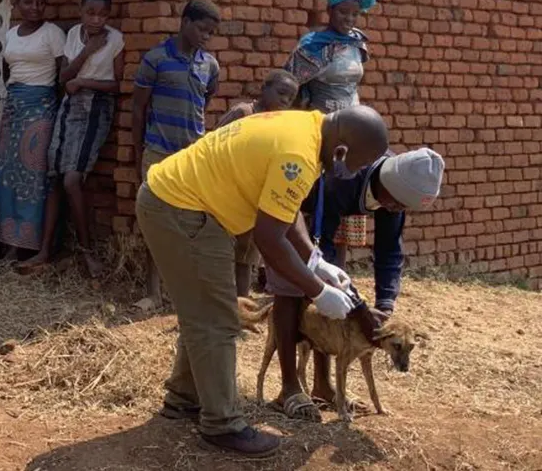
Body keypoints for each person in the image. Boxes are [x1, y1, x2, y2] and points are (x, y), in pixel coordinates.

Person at [135, 105, 390, 457]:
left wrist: (315, 261)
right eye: (357, 165)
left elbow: (285, 209)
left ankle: (185, 398)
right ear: (342, 151)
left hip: (176, 200)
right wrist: (318, 292)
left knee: (204, 311)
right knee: (217, 320)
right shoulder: (298, 154)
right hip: (183, 208)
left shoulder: (307, 127)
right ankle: (222, 425)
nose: (354, 173)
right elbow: (269, 239)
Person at [268, 148, 444, 421]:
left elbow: (389, 251)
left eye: (402, 207)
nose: (396, 210)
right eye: (396, 204)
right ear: (385, 186)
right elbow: (320, 243)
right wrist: (349, 302)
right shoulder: (345, 176)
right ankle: (289, 389)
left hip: (332, 212)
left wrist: (384, 306)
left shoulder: (396, 190)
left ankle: (323, 387)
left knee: (333, 305)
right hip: (289, 203)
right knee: (292, 290)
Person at [286, 0, 384, 269]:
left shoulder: (357, 44)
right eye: (343, 12)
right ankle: (309, 264)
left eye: (354, 14)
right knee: (320, 194)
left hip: (353, 129)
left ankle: (339, 269)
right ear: (329, 11)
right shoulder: (313, 46)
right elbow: (292, 85)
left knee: (346, 191)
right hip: (323, 128)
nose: (349, 19)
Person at [33, 0, 126, 276]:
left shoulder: (115, 39)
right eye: (90, 13)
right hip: (69, 105)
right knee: (54, 176)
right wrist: (87, 52)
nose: (96, 19)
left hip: (96, 107)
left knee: (73, 179)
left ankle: (87, 251)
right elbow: (63, 77)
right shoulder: (74, 35)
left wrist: (85, 82)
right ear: (81, 11)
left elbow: (117, 85)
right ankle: (45, 250)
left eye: (102, 14)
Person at [132, 0, 221, 298]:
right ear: (184, 22)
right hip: (158, 153)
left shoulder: (210, 65)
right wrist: (138, 152)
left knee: (190, 223)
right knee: (155, 221)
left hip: (192, 157)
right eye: (202, 29)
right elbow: (138, 108)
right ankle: (153, 292)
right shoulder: (156, 59)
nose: (206, 36)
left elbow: (203, 102)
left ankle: (181, 291)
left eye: (211, 33)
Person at [0, 0, 66, 263]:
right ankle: (8, 242)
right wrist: (16, 98)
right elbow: (7, 70)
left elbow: (61, 75)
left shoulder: (52, 33)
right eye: (28, 1)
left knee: (33, 176)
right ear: (16, 2)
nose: (35, 7)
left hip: (40, 110)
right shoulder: (11, 34)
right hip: (14, 108)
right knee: (6, 174)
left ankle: (30, 244)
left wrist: (44, 104)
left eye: (40, 2)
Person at [216, 69, 300, 296]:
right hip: (229, 191)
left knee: (247, 253)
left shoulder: (279, 125)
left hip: (254, 196)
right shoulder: (243, 113)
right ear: (264, 89)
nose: (285, 100)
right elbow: (215, 143)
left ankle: (242, 302)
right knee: (222, 249)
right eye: (281, 93)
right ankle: (219, 301)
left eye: (290, 98)